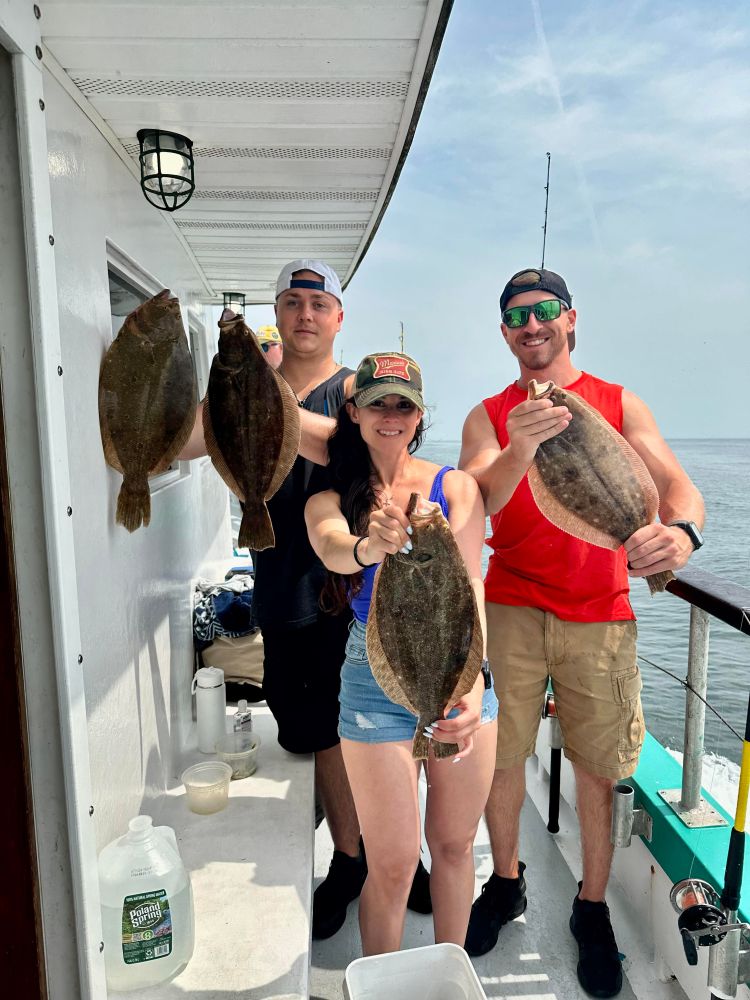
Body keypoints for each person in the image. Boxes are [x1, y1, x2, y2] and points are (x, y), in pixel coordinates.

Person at [459, 268, 705, 998]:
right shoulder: (489, 414)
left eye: (543, 311)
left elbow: (674, 485)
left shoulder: (617, 402)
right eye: (514, 317)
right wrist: (521, 445)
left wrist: (682, 534)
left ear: (570, 320)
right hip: (509, 604)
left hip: (600, 612)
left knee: (600, 768)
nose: (530, 325)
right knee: (501, 757)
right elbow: (482, 501)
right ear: (504, 334)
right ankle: (505, 882)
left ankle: (592, 906)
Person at [179, 260, 430, 940]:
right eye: (291, 301)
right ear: (278, 314)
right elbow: (178, 445)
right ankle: (353, 857)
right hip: (279, 579)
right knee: (316, 732)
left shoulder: (357, 393)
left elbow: (391, 453)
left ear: (339, 318)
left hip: (357, 586)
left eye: (319, 303)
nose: (305, 314)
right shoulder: (241, 387)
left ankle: (391, 855)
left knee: (385, 728)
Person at [305, 352, 498, 955]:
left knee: (454, 846)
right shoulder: (329, 497)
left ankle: (449, 974)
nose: (391, 415)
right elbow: (333, 547)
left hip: (457, 673)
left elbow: (471, 589)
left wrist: (471, 687)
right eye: (378, 402)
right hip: (373, 681)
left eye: (404, 404)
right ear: (354, 411)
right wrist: (370, 546)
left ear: (419, 415)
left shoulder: (456, 488)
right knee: (390, 865)